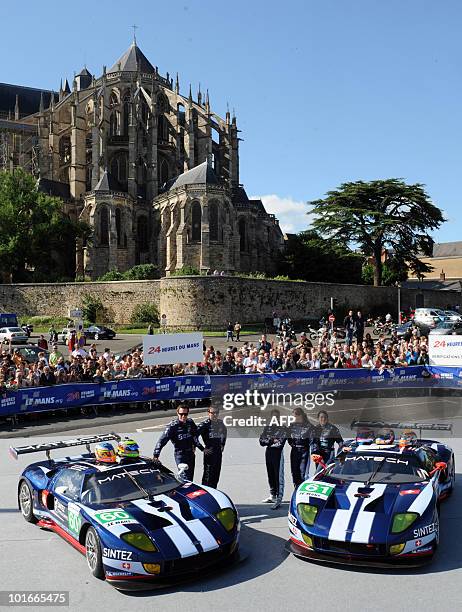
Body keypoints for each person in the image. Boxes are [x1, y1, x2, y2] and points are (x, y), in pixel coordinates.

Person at [153, 404, 204, 480]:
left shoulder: (190, 422)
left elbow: (195, 435)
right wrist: (156, 455)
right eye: (181, 414)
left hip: (191, 454)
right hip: (180, 455)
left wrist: (197, 447)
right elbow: (162, 440)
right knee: (185, 477)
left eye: (185, 414)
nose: (183, 416)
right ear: (177, 413)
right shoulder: (172, 426)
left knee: (190, 478)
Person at [259, 409, 287, 509]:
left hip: (278, 454)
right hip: (269, 453)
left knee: (278, 476)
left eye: (277, 416)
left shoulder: (283, 428)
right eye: (273, 416)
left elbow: (280, 444)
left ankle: (279, 498)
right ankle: (272, 495)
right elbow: (261, 441)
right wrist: (271, 440)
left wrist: (268, 441)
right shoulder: (268, 427)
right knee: (270, 475)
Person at [197, 407, 227, 488]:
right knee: (207, 477)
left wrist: (222, 444)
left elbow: (224, 432)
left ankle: (214, 491)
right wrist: (202, 449)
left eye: (216, 413)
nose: (215, 415)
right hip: (209, 453)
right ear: (208, 413)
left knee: (216, 475)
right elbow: (194, 437)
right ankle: (205, 493)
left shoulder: (220, 423)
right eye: (212, 413)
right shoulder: (204, 424)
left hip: (218, 452)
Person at [287, 409, 312, 487]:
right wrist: (291, 443)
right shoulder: (291, 425)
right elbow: (287, 435)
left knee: (303, 474)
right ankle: (296, 491)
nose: (293, 418)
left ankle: (303, 492)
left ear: (299, 416)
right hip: (294, 451)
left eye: (294, 416)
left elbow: (313, 440)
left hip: (304, 452)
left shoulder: (309, 426)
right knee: (294, 473)